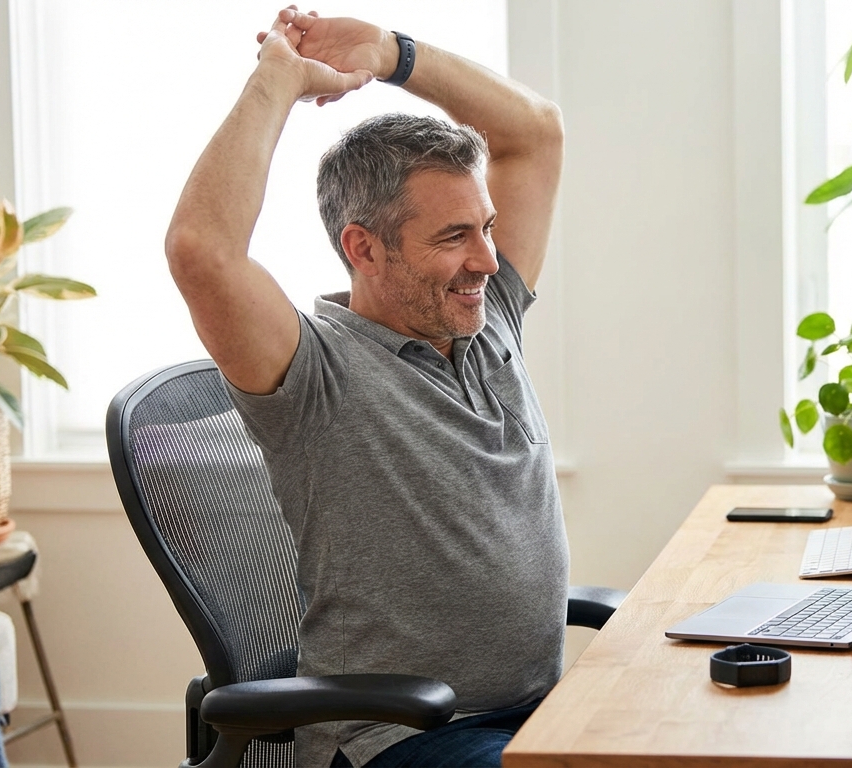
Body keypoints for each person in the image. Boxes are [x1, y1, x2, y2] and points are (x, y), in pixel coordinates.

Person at [164, 7, 568, 767]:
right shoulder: (314, 371)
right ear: (364, 248)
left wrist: (390, 54)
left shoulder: (487, 321)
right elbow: (201, 250)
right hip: (403, 738)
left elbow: (536, 133)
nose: (487, 258)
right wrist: (278, 78)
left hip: (537, 712)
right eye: (454, 236)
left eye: (484, 226)